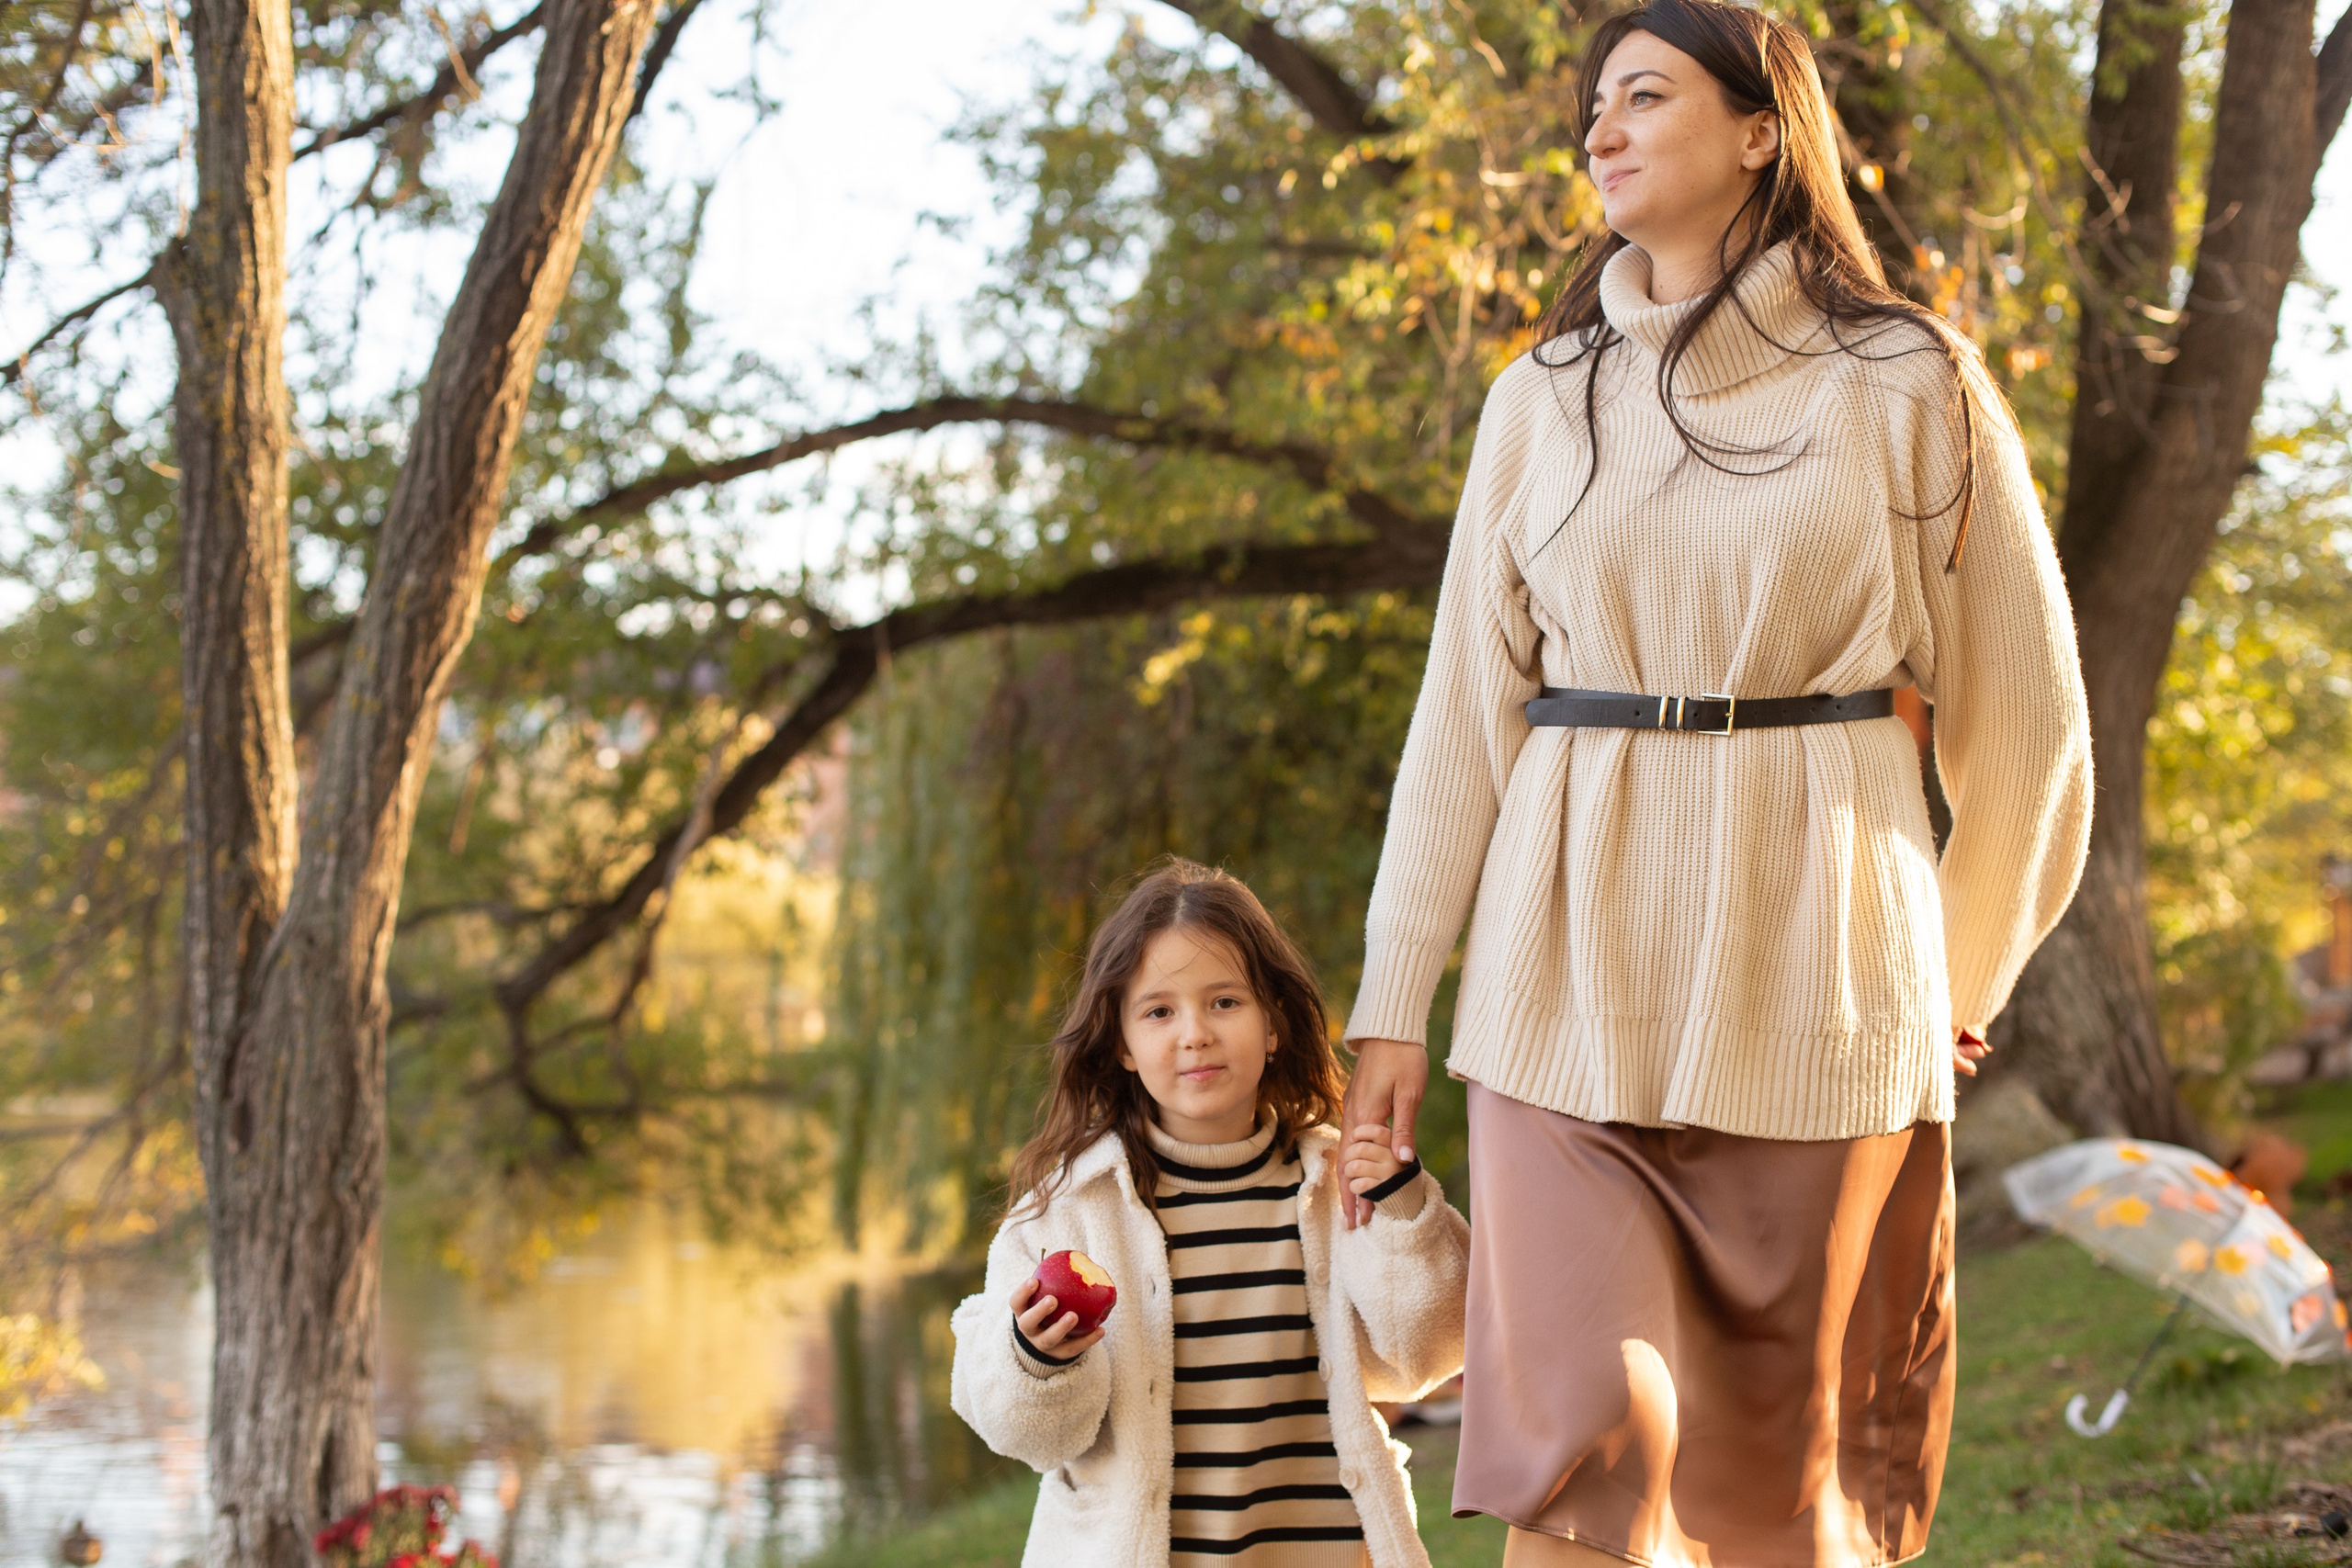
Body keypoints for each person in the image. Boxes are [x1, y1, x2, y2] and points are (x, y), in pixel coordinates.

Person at [1337, 1, 2093, 1564]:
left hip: (1821, 988)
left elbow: (2024, 724)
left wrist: (1961, 968)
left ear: (1762, 128)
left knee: (1782, 1505)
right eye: (1591, 104)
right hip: (1561, 994)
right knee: (1574, 1459)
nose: (1597, 129)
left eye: (1643, 94)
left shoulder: (1908, 382)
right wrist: (1393, 995)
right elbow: (1463, 715)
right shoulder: (1538, 398)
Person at [949, 858, 1472, 1568]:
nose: (1194, 1032)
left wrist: (1407, 1214)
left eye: (1225, 1001)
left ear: (1274, 1025)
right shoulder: (1070, 1209)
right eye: (1160, 1011)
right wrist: (1037, 1358)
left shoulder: (1337, 1184)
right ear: (1125, 1045)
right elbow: (1032, 1436)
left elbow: (1428, 1356)